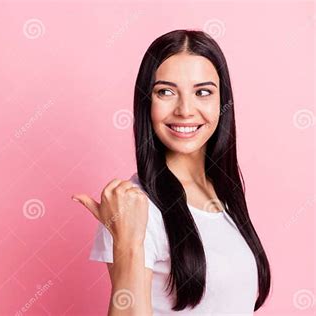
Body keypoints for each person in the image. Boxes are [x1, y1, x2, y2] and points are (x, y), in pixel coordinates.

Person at [71, 29, 271, 315]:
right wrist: (128, 242)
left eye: (203, 92)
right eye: (165, 92)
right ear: (146, 102)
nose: (185, 110)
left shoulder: (224, 192)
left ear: (221, 102)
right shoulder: (135, 206)